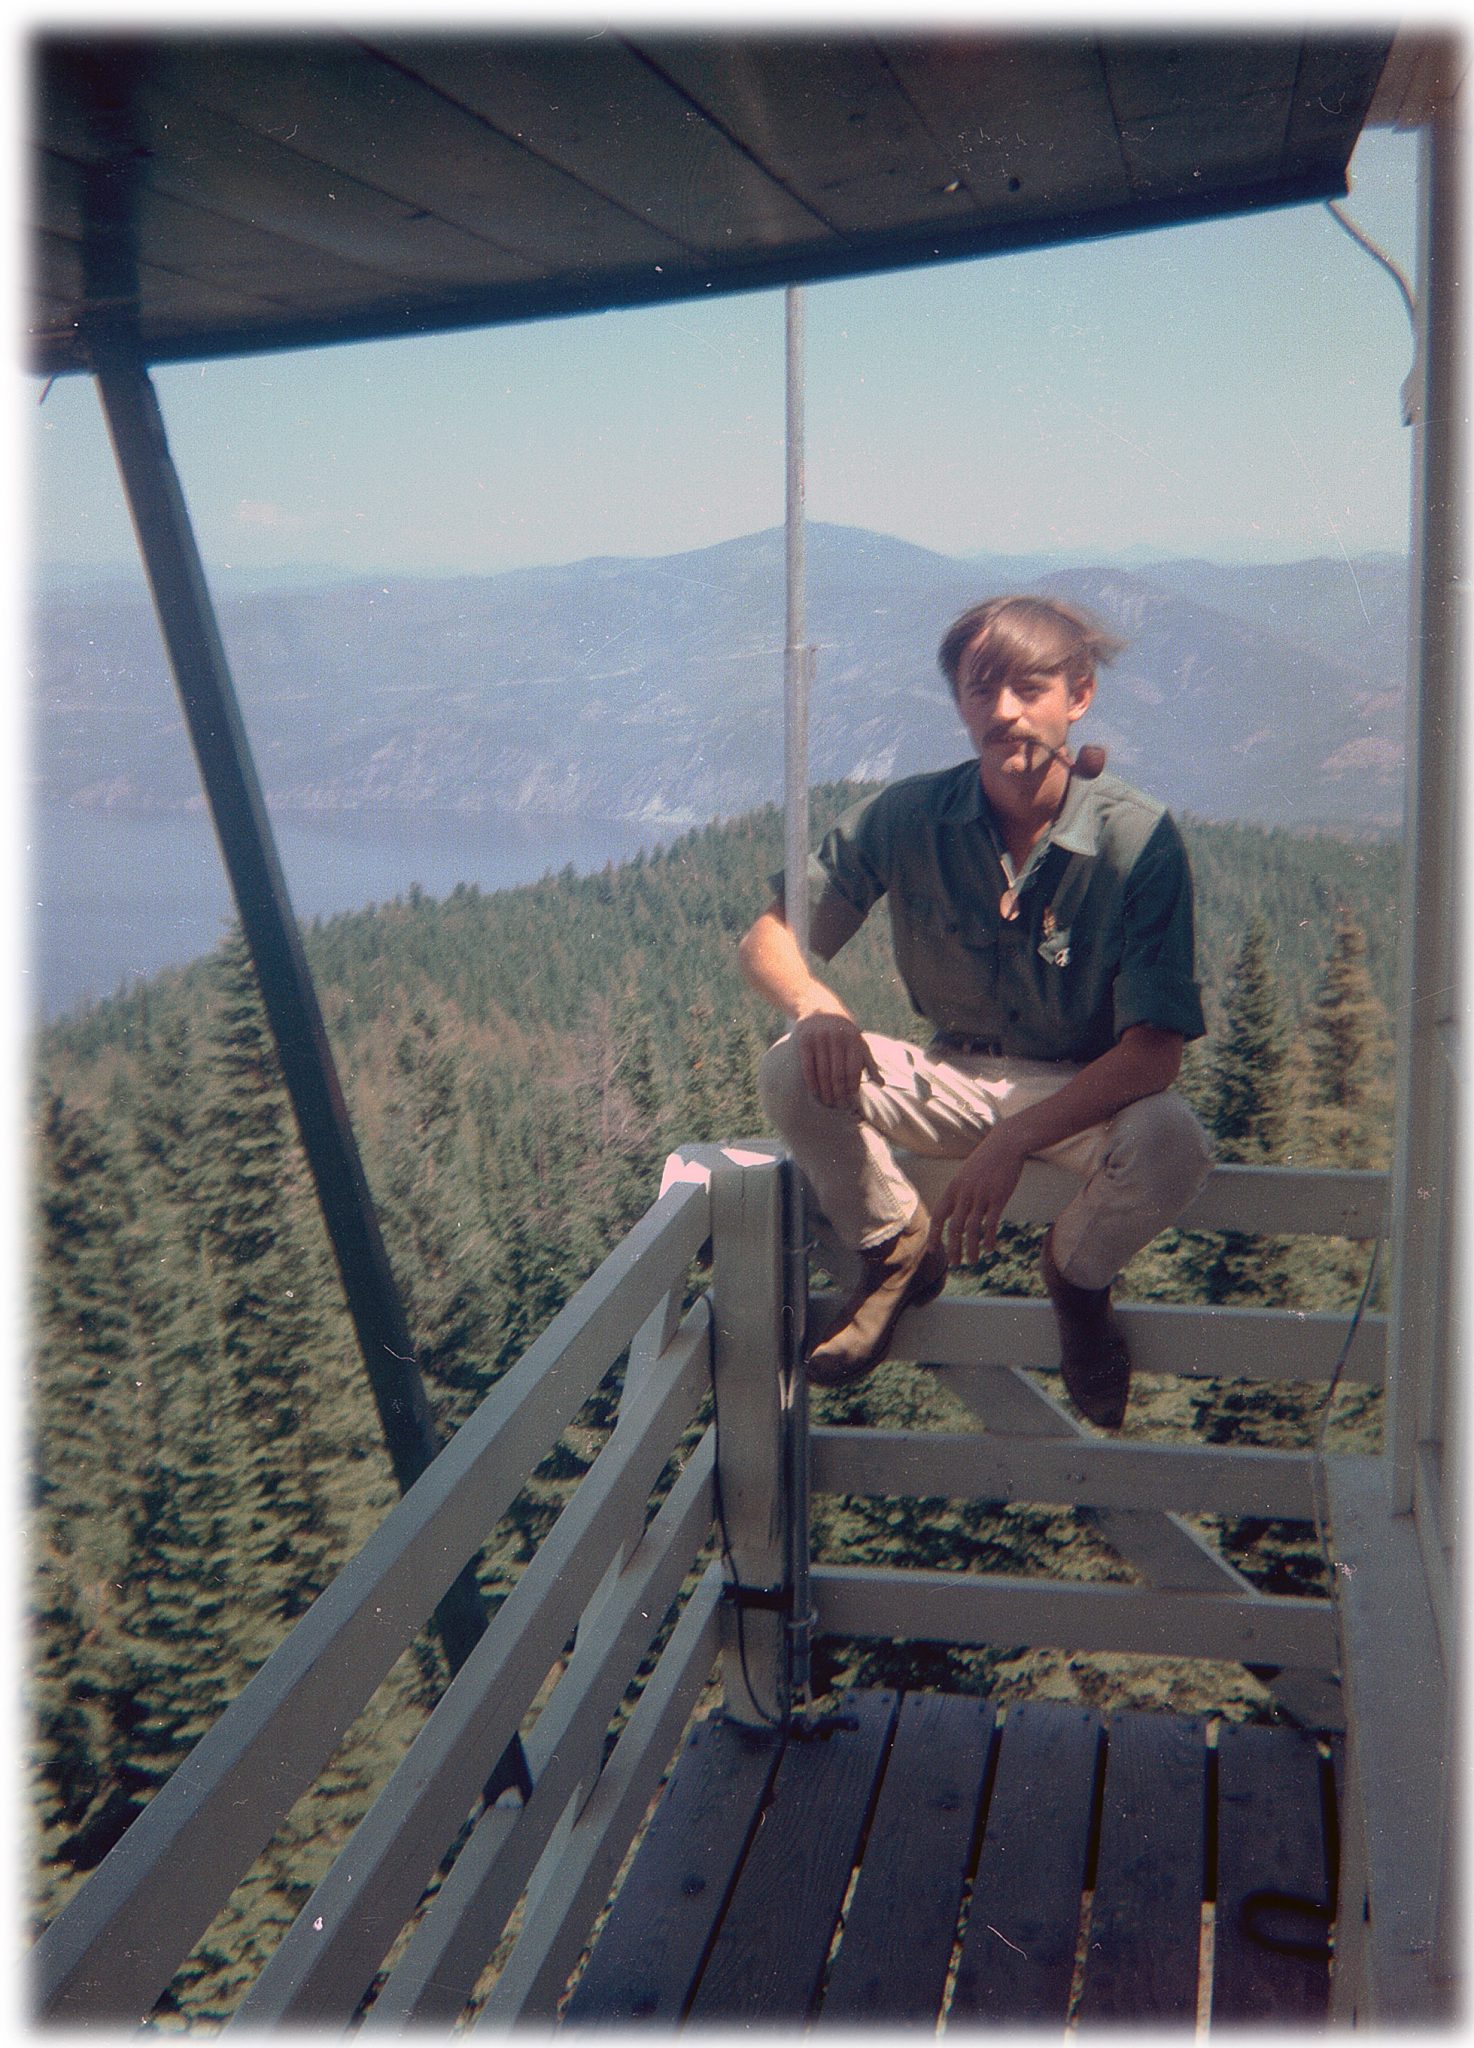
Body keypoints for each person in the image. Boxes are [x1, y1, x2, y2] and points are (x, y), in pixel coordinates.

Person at [737, 594, 1213, 1428]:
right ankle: (893, 1249)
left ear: (1080, 693)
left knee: (1173, 1142)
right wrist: (815, 1003)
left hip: (1082, 1095)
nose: (1001, 712)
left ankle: (1076, 1279)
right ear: (958, 700)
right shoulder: (910, 815)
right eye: (978, 690)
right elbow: (767, 938)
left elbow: (1152, 1056)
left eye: (1028, 689)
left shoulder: (1138, 839)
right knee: (790, 1066)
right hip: (948, 1072)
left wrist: (1013, 1139)